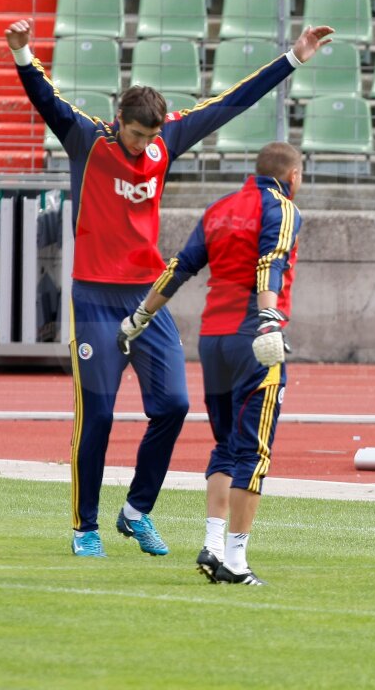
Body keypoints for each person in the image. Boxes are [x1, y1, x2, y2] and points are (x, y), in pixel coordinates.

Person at [5, 18, 334, 558]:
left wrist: (293, 58)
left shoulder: (164, 144)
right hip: (93, 297)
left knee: (175, 406)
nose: (145, 147)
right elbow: (47, 97)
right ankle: (84, 527)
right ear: (119, 123)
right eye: (138, 136)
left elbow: (230, 103)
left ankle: (136, 512)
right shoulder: (85, 139)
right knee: (100, 413)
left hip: (145, 298)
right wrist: (22, 54)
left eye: (153, 137)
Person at [118, 141, 302, 585]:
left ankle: (214, 544)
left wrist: (140, 316)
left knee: (225, 445)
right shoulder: (282, 206)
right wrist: (267, 318)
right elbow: (270, 262)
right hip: (251, 337)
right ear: (293, 177)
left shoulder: (219, 208)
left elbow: (180, 267)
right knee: (253, 452)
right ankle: (237, 561)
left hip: (212, 340)